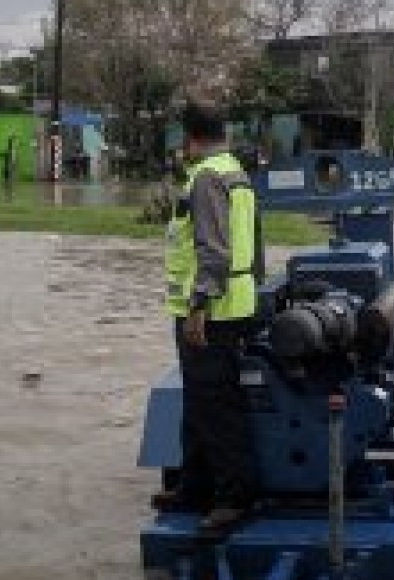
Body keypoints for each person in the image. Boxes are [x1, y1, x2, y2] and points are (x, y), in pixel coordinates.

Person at [153, 102, 258, 532]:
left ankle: (234, 498)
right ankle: (193, 487)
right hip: (231, 304)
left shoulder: (207, 178)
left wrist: (198, 308)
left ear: (191, 138)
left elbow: (213, 251)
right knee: (198, 402)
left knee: (217, 407)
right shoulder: (236, 172)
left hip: (211, 312)